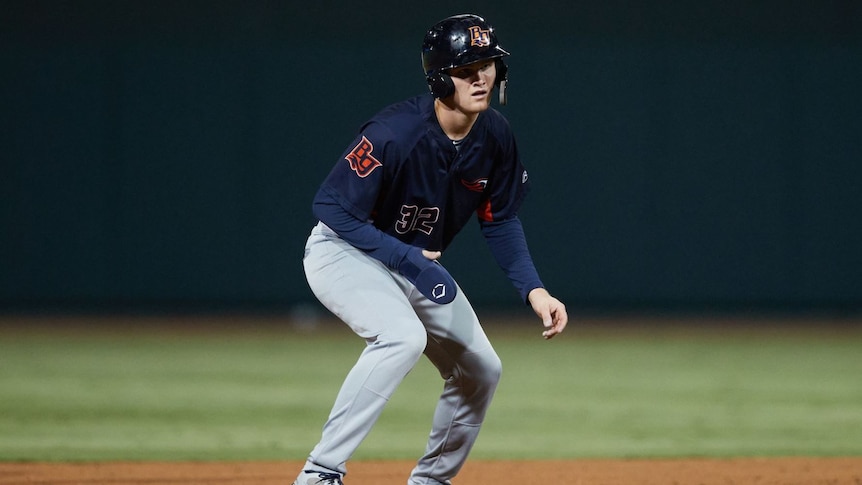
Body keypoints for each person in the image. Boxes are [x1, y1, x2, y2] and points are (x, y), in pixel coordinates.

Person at [293, 13, 568, 485]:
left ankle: (431, 480)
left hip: (410, 263)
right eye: (468, 68)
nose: (482, 77)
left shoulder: (496, 135)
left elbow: (499, 219)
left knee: (482, 368)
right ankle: (320, 473)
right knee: (401, 337)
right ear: (441, 77)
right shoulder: (394, 132)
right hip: (343, 252)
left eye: (488, 65)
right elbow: (330, 208)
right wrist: (404, 259)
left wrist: (534, 290)